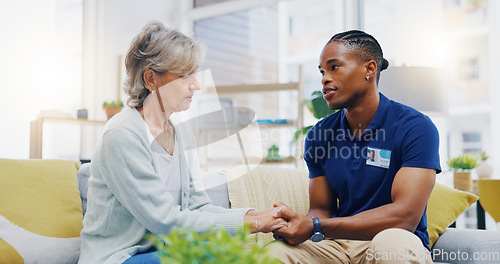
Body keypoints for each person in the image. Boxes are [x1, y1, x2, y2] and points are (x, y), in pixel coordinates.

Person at [78, 21, 286, 264]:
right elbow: (163, 219)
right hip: (120, 256)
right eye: (185, 75)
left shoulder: (180, 134)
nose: (196, 85)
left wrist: (259, 215)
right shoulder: (122, 134)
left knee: (231, 255)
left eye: (195, 73)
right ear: (151, 79)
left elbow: (197, 206)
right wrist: (254, 223)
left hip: (161, 251)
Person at [269, 30, 441, 264]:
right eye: (322, 71)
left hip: (394, 237)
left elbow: (405, 216)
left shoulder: (415, 127)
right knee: (275, 253)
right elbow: (321, 210)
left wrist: (316, 226)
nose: (324, 79)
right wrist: (297, 227)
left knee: (393, 245)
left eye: (334, 67)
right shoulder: (319, 135)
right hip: (339, 243)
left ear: (369, 69)